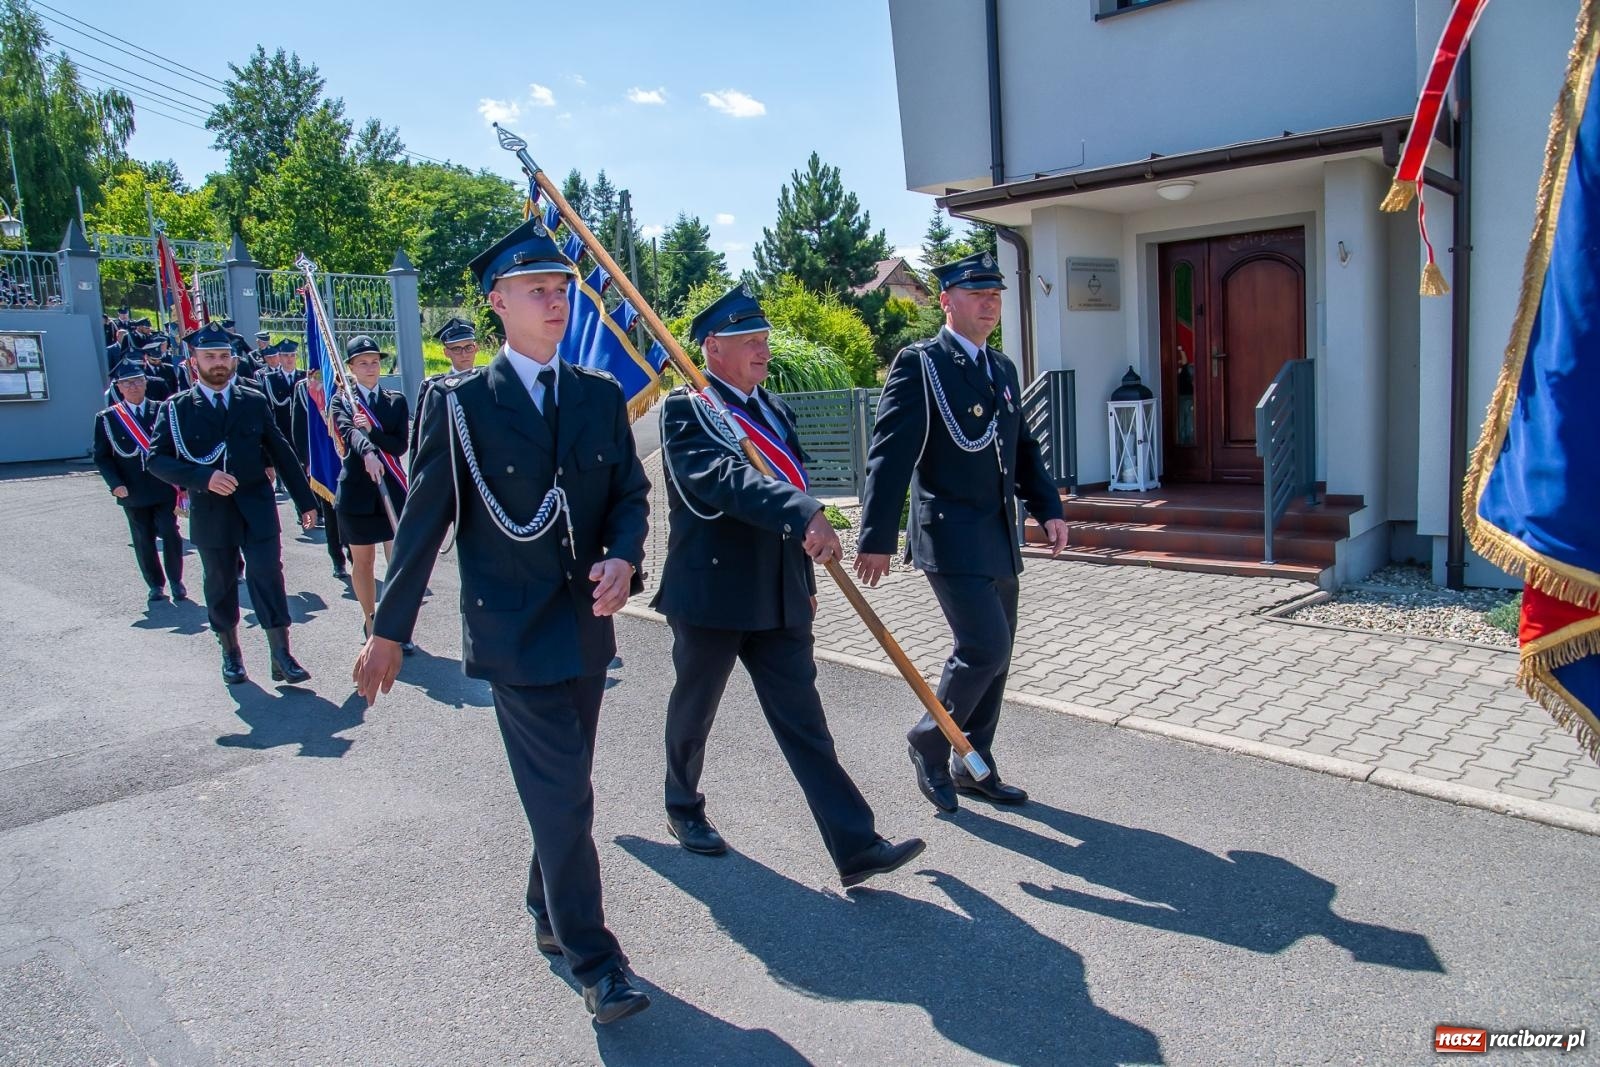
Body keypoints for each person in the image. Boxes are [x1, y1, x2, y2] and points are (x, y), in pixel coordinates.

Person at [352, 217, 652, 1025]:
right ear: (498, 303)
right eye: (538, 292)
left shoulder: (595, 395)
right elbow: (422, 524)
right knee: (563, 800)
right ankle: (598, 962)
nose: (556, 304)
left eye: (562, 291)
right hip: (512, 634)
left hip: (587, 627)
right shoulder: (460, 405)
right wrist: (387, 628)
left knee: (567, 789)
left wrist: (626, 558)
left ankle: (546, 902)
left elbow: (629, 495)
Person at [653, 284, 926, 886]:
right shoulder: (688, 410)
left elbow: (789, 488)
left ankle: (856, 846)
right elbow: (719, 481)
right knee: (696, 711)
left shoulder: (775, 411)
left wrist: (802, 575)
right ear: (712, 348)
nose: (762, 351)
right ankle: (682, 805)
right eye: (749, 341)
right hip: (713, 594)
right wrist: (803, 511)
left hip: (778, 595)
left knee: (805, 723)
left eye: (765, 341)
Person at [854, 251, 1071, 813]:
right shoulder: (919, 364)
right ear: (947, 301)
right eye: (977, 295)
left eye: (996, 295)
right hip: (948, 533)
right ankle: (929, 741)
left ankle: (974, 763)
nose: (990, 304)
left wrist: (1047, 506)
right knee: (984, 646)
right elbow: (889, 455)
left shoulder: (1001, 369)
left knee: (998, 658)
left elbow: (1023, 448)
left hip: (998, 534)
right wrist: (875, 536)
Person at [148, 322, 319, 685]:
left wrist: (306, 501)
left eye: (224, 356)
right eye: (210, 357)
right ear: (194, 362)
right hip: (212, 512)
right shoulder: (178, 409)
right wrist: (202, 478)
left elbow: (281, 451)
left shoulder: (253, 400)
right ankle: (231, 654)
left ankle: (281, 655)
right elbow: (155, 460)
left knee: (267, 576)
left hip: (256, 506)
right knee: (221, 582)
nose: (219, 363)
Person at [330, 335, 410, 644]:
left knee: (398, 560)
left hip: (391, 488)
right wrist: (366, 450)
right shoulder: (343, 400)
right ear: (350, 367)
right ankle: (370, 619)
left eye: (375, 361)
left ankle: (395, 622)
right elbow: (347, 431)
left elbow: (399, 444)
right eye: (363, 363)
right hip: (357, 494)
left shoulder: (395, 401)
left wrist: (372, 431)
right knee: (363, 562)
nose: (370, 367)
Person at [92, 359, 186, 604]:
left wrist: (182, 482)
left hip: (164, 487)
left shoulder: (162, 410)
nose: (133, 387)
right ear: (119, 388)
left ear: (146, 383)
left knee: (170, 532)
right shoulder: (108, 418)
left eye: (137, 381)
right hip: (132, 490)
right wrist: (115, 484)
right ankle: (155, 584)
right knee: (143, 538)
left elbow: (176, 447)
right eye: (127, 383)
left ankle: (176, 580)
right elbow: (102, 456)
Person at [291, 365, 352, 579]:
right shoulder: (303, 389)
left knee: (351, 510)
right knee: (330, 512)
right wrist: (306, 460)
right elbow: (298, 427)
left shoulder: (344, 386)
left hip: (345, 456)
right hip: (322, 458)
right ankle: (337, 558)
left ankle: (354, 550)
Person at [410, 316, 480, 468]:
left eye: (468, 347)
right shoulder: (435, 388)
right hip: (451, 466)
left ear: (476, 348)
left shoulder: (489, 382)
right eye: (456, 349)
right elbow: (422, 440)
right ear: (446, 352)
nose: (464, 354)